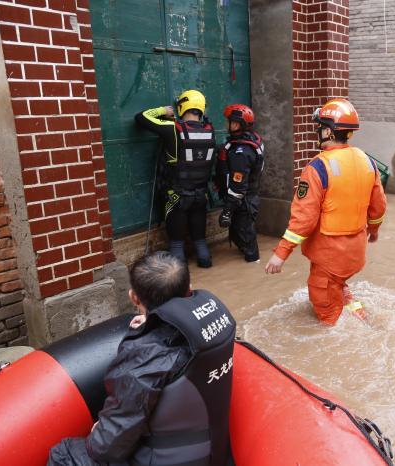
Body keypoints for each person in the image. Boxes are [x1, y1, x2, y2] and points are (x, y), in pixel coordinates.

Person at [48, 252, 236, 466]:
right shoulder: (217, 325)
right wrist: (151, 323)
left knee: (63, 453)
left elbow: (107, 447)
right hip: (215, 454)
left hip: (166, 460)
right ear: (189, 289)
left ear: (133, 297)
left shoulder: (145, 357)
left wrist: (96, 432)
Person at [264, 98, 387, 325]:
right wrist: (374, 231)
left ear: (329, 132)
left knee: (323, 304)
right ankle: (356, 311)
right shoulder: (368, 162)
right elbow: (378, 207)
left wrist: (281, 253)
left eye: (320, 127)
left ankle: (342, 330)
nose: (318, 131)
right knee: (336, 283)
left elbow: (304, 219)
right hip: (355, 252)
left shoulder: (318, 167)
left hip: (329, 254)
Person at [135, 90, 216, 268]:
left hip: (177, 197)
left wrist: (163, 111)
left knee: (177, 244)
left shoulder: (173, 128)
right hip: (201, 196)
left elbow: (141, 117)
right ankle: (205, 264)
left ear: (182, 106)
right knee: (201, 242)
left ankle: (180, 279)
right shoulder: (210, 130)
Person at [216, 104, 265, 262]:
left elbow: (238, 186)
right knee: (240, 234)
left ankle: (254, 266)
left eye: (229, 121)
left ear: (237, 124)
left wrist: (227, 211)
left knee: (246, 237)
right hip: (249, 196)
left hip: (243, 201)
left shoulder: (241, 153)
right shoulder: (251, 139)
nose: (226, 124)